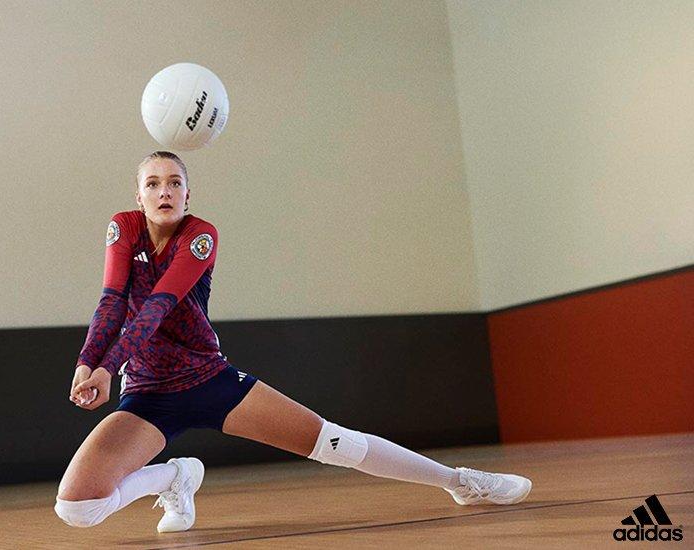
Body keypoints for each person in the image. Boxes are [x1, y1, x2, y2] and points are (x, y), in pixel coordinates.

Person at [54, 152, 532, 533]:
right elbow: (111, 301)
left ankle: (460, 481)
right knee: (77, 507)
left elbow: (157, 306)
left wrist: (107, 366)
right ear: (138, 196)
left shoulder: (200, 236)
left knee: (335, 442)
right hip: (148, 394)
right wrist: (86, 364)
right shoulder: (124, 228)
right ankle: (176, 477)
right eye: (154, 183)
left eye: (175, 182)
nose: (165, 191)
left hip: (209, 381)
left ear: (188, 193)